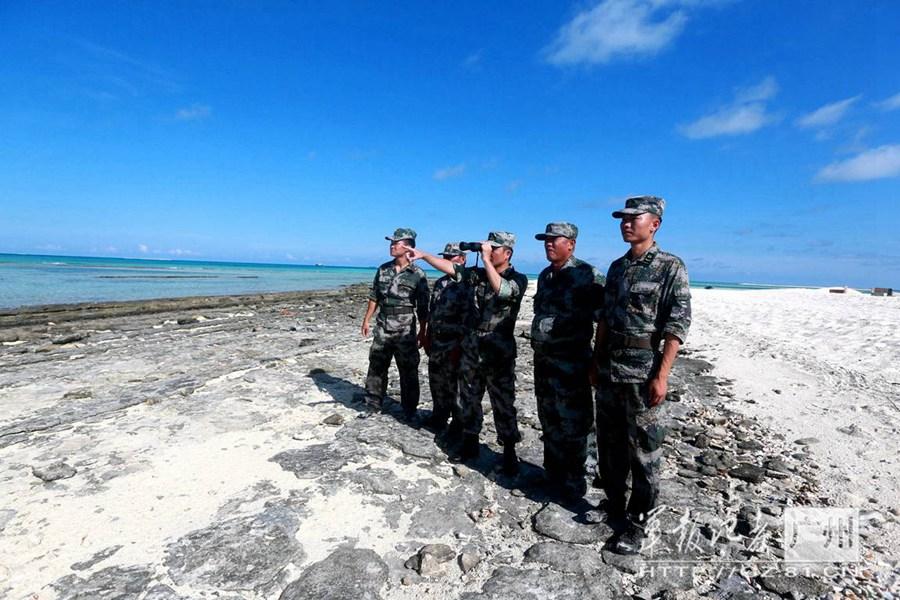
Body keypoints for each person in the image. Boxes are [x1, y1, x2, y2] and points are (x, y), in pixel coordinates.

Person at [593, 196, 691, 555]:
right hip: (610, 369)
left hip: (642, 371)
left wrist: (661, 376)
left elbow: (677, 325)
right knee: (609, 443)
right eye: (623, 218)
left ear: (655, 224)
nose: (626, 223)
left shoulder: (670, 266)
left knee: (645, 451)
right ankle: (614, 504)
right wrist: (595, 360)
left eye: (634, 218)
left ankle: (639, 522)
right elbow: (605, 318)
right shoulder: (617, 267)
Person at [408, 232, 527, 474]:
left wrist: (486, 261)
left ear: (507, 253)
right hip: (473, 349)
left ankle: (509, 452)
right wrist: (424, 255)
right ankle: (470, 442)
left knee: (503, 403)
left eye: (494, 249)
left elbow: (503, 291)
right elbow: (451, 268)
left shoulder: (518, 279)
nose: (488, 252)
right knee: (469, 398)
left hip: (499, 352)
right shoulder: (476, 275)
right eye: (487, 248)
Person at [531, 222, 605, 502]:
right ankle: (553, 473)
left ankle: (578, 480)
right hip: (544, 362)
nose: (548, 244)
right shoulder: (545, 276)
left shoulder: (587, 275)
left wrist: (597, 361)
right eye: (546, 240)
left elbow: (604, 319)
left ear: (571, 244)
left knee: (575, 423)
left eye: (555, 240)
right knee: (548, 417)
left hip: (572, 364)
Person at [361, 228, 430, 421]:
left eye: (395, 243)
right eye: (391, 243)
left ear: (408, 247)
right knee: (376, 365)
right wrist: (366, 320)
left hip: (405, 328)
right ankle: (372, 404)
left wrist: (423, 332)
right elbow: (374, 296)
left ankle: (409, 409)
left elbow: (423, 307)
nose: (391, 246)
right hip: (383, 325)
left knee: (408, 369)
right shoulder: (383, 269)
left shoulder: (417, 274)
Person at [423, 243, 469, 434]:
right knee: (436, 380)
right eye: (445, 257)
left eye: (451, 257)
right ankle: (439, 416)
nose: (447, 260)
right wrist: (427, 335)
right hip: (437, 340)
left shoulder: (467, 283)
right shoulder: (440, 283)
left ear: (462, 259)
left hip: (456, 341)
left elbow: (469, 317)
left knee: (456, 385)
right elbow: (432, 311)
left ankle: (458, 423)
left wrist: (461, 344)